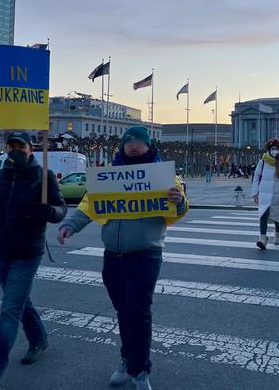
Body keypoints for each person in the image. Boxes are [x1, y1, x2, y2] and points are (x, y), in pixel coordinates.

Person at [57, 126, 188, 390]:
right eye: (129, 141)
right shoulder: (109, 175)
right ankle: (129, 359)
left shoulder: (163, 175)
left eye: (140, 141)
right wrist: (70, 225)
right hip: (113, 256)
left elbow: (176, 212)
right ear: (123, 145)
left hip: (145, 254)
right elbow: (88, 203)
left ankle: (140, 370)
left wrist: (179, 201)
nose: (134, 145)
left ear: (149, 146)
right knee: (124, 312)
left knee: (138, 312)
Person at [0, 131, 67, 390]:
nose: (15, 150)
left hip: (28, 254)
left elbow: (61, 209)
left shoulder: (44, 177)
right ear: (6, 148)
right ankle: (39, 338)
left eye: (21, 145)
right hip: (1, 253)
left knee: (9, 311)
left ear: (31, 149)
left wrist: (49, 211)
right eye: (11, 145)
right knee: (19, 303)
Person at [251, 138, 279, 249]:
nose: (274, 150)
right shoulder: (262, 161)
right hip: (264, 193)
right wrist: (255, 192)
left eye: (276, 149)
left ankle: (277, 236)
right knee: (263, 215)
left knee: (277, 216)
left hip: (277, 193)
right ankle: (262, 238)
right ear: (269, 149)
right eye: (272, 148)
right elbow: (256, 176)